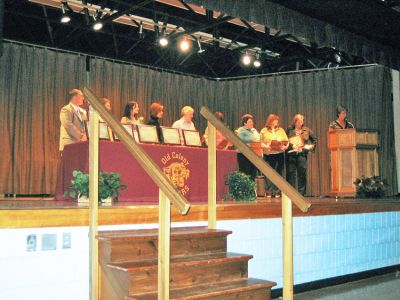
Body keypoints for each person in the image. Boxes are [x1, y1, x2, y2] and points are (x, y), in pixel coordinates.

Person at [286, 114, 317, 196]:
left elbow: (315, 140)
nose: (300, 123)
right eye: (299, 121)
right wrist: (292, 146)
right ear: (295, 122)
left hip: (302, 154)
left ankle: (301, 194)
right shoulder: (289, 129)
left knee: (302, 173)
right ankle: (291, 193)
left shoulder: (306, 130)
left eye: (302, 121)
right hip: (291, 154)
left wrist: (311, 147)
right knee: (291, 174)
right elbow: (285, 140)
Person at [260, 114, 289, 197]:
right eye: (275, 120)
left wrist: (285, 146)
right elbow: (260, 142)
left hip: (279, 154)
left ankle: (277, 192)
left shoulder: (281, 130)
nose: (277, 122)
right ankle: (269, 191)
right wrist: (266, 146)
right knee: (268, 173)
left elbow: (286, 141)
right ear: (270, 121)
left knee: (279, 173)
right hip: (268, 154)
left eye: (277, 120)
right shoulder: (263, 130)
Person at [235, 114, 260, 180]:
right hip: (244, 155)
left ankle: (252, 189)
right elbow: (239, 142)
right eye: (250, 122)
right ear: (245, 123)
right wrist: (251, 145)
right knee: (245, 174)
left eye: (252, 121)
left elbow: (258, 141)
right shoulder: (240, 131)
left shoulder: (254, 131)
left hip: (254, 155)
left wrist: (265, 146)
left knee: (253, 174)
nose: (252, 123)